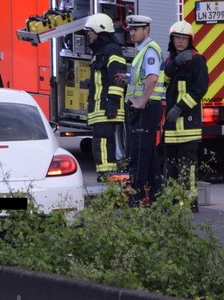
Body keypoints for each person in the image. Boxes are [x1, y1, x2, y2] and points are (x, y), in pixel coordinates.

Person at [162, 19, 208, 212]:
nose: (180, 42)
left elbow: (199, 89)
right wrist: (174, 66)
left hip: (188, 125)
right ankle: (171, 201)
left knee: (188, 167)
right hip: (172, 128)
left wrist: (180, 107)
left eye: (183, 39)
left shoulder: (197, 60)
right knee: (171, 165)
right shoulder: (170, 61)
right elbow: (163, 81)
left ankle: (189, 202)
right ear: (172, 40)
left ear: (190, 40)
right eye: (177, 38)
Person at [123, 14, 167, 205]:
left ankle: (137, 199)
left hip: (145, 109)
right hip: (146, 109)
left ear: (146, 30)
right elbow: (144, 79)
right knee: (149, 158)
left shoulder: (149, 50)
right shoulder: (143, 50)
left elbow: (152, 79)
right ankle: (157, 200)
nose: (132, 33)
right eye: (131, 29)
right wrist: (127, 79)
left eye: (136, 29)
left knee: (139, 156)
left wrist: (141, 102)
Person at [83, 13, 127, 177]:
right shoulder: (101, 51)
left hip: (106, 106)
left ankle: (106, 175)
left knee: (101, 141)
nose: (89, 35)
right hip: (100, 106)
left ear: (100, 32)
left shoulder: (112, 50)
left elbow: (117, 79)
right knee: (103, 141)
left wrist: (112, 104)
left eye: (91, 32)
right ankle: (108, 174)